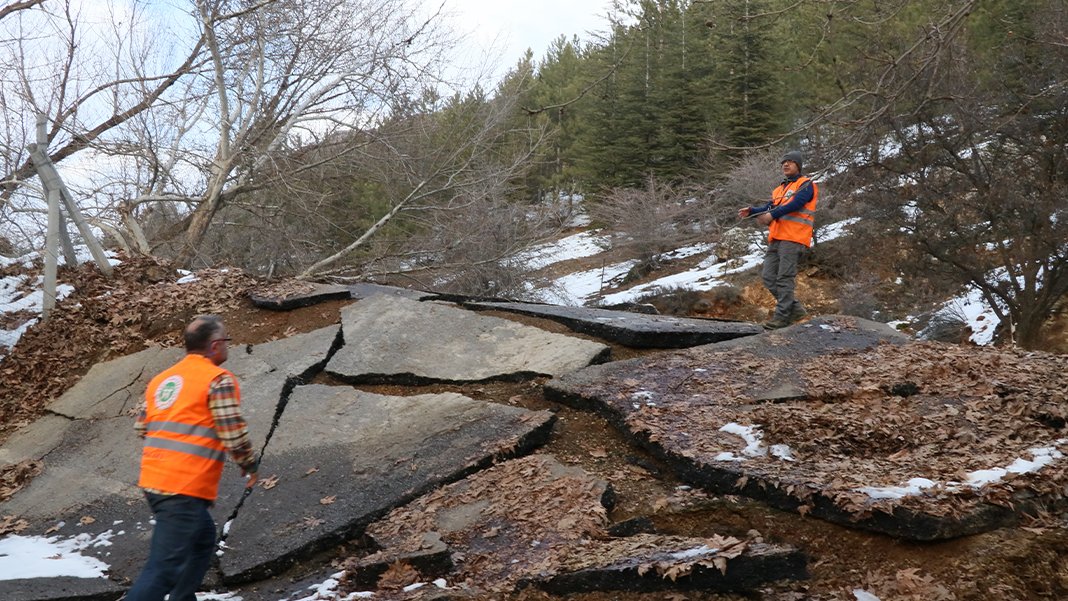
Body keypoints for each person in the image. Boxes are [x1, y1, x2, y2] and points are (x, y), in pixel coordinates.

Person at [126, 315, 258, 601]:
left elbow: (141, 427)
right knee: (162, 571)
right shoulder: (217, 380)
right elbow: (233, 433)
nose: (228, 346)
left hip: (155, 482)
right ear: (215, 345)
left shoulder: (162, 380)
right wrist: (249, 464)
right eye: (226, 340)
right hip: (182, 488)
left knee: (202, 540)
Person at [738, 150, 819, 330]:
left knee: (784, 278)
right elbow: (770, 206)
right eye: (783, 162)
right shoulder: (779, 189)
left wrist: (771, 215)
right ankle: (796, 311)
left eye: (790, 161)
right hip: (776, 238)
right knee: (768, 277)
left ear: (798, 165)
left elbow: (796, 204)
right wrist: (752, 211)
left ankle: (781, 318)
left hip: (793, 238)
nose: (786, 164)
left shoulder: (806, 184)